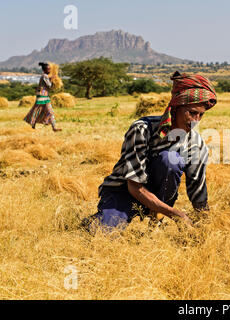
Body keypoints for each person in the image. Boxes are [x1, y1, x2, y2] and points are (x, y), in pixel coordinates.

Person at [82, 71, 217, 232]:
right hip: (123, 190)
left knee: (170, 159)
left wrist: (207, 226)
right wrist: (176, 214)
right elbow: (134, 186)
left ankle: (156, 219)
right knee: (102, 233)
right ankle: (95, 221)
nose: (196, 120)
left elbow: (198, 190)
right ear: (176, 108)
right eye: (192, 112)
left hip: (160, 196)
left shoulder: (196, 143)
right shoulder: (142, 129)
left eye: (201, 115)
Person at [24, 62, 62, 132]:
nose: (49, 71)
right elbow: (49, 85)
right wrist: (52, 79)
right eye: (48, 69)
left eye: (50, 69)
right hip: (42, 95)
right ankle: (33, 124)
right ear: (44, 70)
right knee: (37, 110)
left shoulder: (45, 76)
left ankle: (54, 127)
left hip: (45, 96)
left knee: (50, 112)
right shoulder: (44, 76)